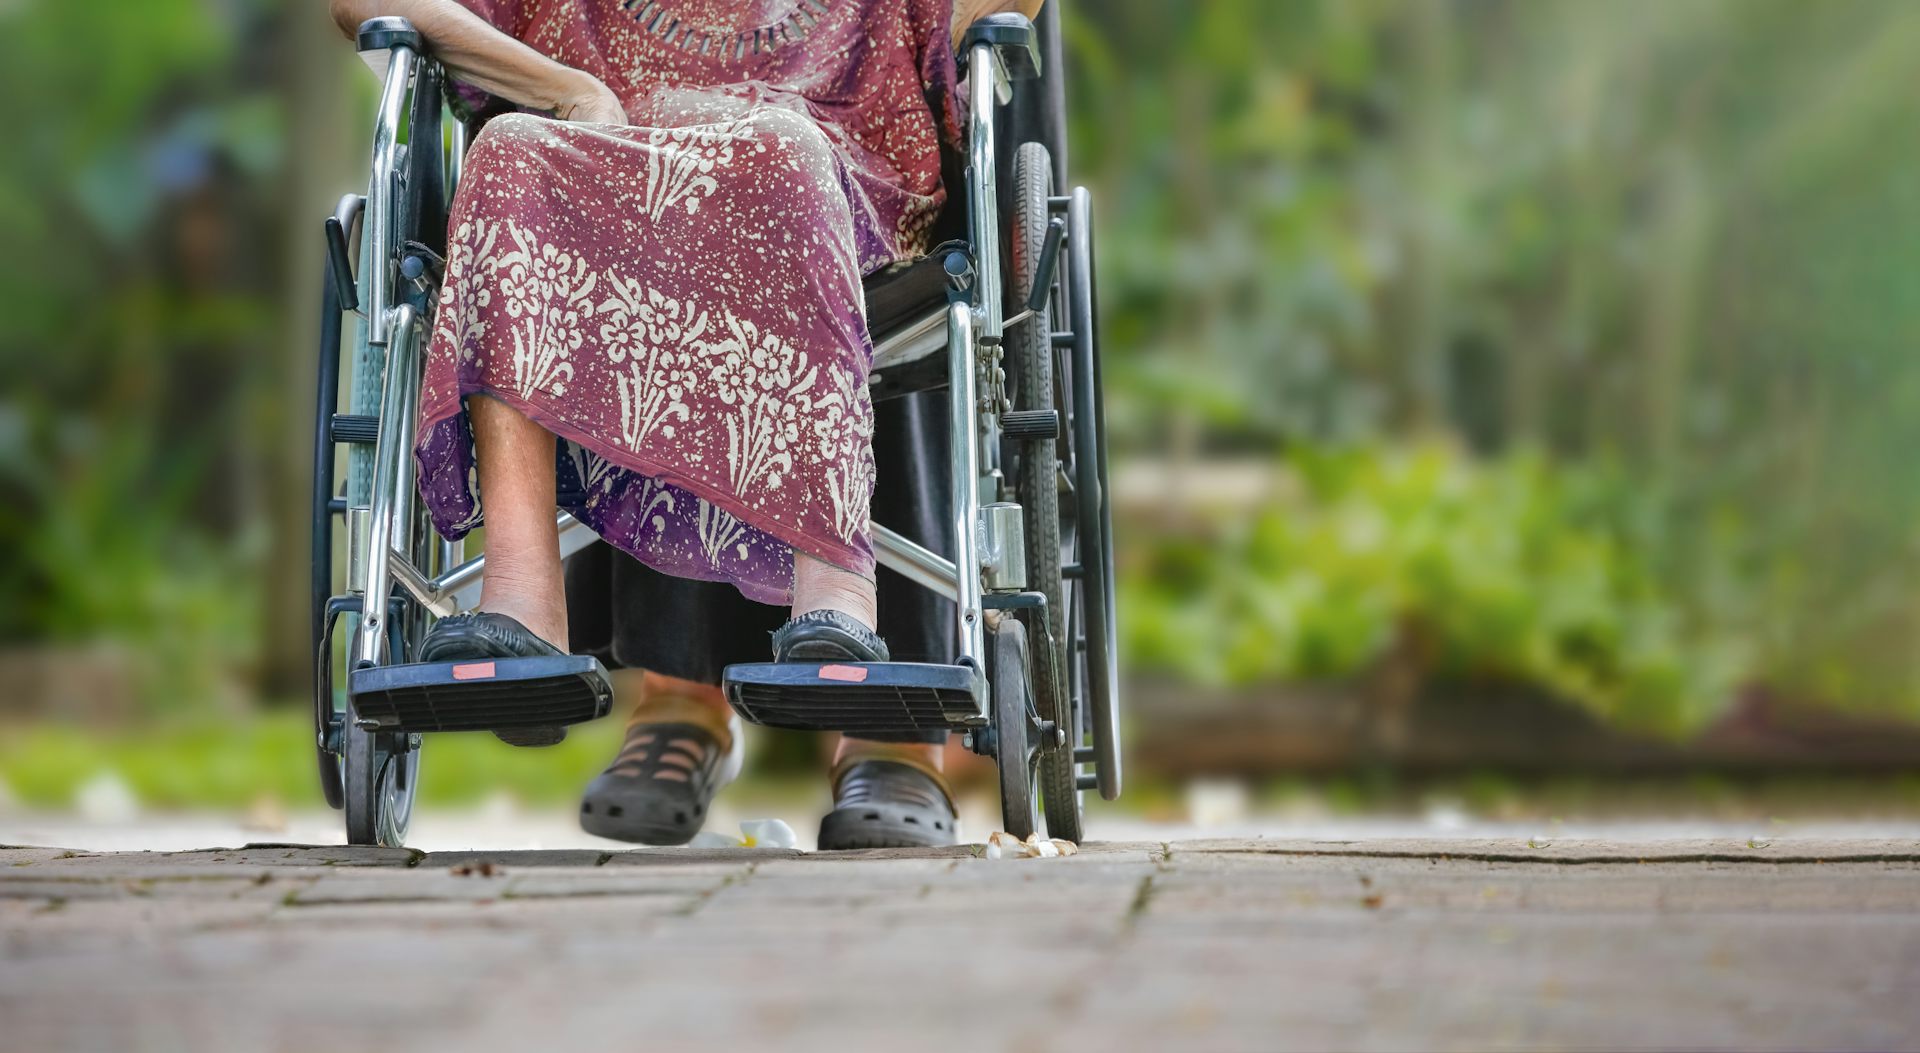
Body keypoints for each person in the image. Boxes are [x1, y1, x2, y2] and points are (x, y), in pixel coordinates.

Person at [327, 0, 1040, 848]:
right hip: (610, 196)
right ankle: (522, 602)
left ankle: (839, 607)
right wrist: (564, 88)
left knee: (777, 150)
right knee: (509, 149)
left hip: (820, 181)